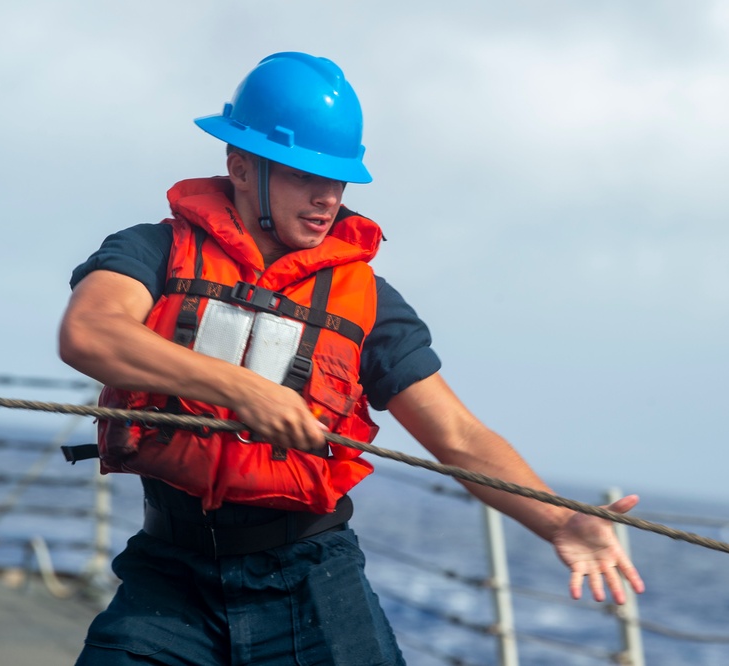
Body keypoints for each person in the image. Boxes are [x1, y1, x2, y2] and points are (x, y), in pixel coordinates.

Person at [59, 51, 644, 666]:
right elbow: (90, 332)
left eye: (337, 181)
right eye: (302, 176)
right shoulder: (152, 250)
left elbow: (458, 435)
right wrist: (247, 391)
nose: (326, 199)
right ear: (238, 165)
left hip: (309, 579)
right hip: (170, 575)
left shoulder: (368, 304)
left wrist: (558, 521)